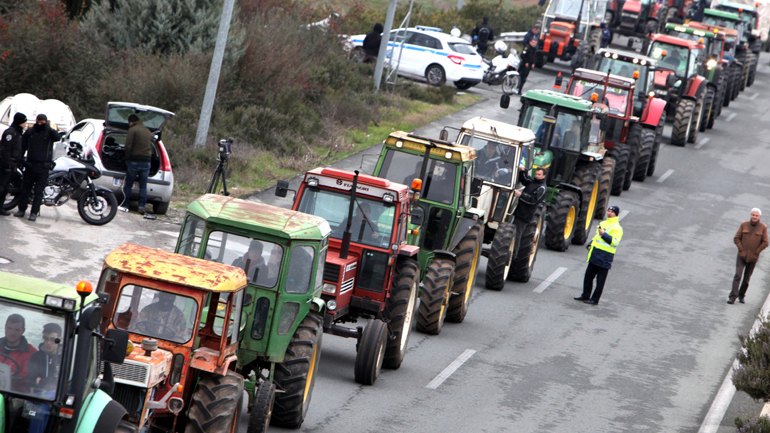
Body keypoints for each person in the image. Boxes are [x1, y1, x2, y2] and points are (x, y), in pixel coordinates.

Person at [575, 205, 624, 305]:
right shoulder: (603, 223)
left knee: (600, 281)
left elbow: (614, 242)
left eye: (612, 212)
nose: (609, 213)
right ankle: (585, 295)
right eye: (609, 211)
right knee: (588, 277)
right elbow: (596, 238)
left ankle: (595, 299)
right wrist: (589, 244)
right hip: (595, 254)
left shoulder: (617, 228)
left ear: (616, 214)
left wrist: (604, 234)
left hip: (605, 257)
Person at [13, 114, 57, 222]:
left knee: (38, 191)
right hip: (30, 165)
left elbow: (57, 137)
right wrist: (21, 160)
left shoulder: (49, 132)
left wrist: (49, 129)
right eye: (38, 122)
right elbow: (23, 146)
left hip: (43, 167)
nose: (40, 124)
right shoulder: (30, 132)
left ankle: (34, 212)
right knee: (25, 189)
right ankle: (21, 209)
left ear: (46, 122)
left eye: (42, 122)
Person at [26, 323, 62, 433]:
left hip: (56, 400)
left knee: (43, 409)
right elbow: (30, 381)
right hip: (36, 398)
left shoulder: (65, 359)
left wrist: (42, 381)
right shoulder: (36, 357)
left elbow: (62, 384)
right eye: (46, 339)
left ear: (59, 339)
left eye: (52, 339)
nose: (48, 343)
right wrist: (48, 383)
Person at [728, 208, 768, 304]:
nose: (754, 217)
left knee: (746, 278)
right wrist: (741, 249)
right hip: (741, 256)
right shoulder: (744, 225)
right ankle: (733, 296)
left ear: (759, 217)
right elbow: (736, 238)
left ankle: (741, 295)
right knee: (737, 275)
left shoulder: (763, 227)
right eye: (753, 215)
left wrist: (756, 252)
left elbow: (765, 242)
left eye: (756, 215)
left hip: (753, 258)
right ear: (751, 215)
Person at [512, 167, 547, 260]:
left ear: (544, 176)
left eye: (539, 175)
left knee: (517, 234)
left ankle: (513, 255)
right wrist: (523, 171)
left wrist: (521, 195)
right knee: (514, 231)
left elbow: (533, 201)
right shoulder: (533, 182)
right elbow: (524, 180)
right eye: (536, 174)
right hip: (519, 210)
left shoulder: (542, 188)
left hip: (525, 214)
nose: (537, 176)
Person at [121, 114, 153, 215]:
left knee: (129, 183)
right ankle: (141, 206)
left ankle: (125, 204)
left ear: (131, 122)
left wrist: (127, 157)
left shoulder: (132, 129)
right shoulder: (148, 131)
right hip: (146, 161)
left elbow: (128, 146)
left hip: (134, 160)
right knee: (143, 185)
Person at [0, 314, 36, 391]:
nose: (12, 333)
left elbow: (30, 376)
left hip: (15, 394)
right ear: (5, 327)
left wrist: (12, 377)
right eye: (9, 328)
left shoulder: (32, 353)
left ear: (23, 331)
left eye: (17, 330)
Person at [0, 113, 26, 216]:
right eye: (24, 121)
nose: (25, 123)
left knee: (5, 188)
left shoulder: (18, 133)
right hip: (5, 164)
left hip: (12, 164)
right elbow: (5, 149)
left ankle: (0, 207)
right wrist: (7, 163)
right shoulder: (10, 133)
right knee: (1, 187)